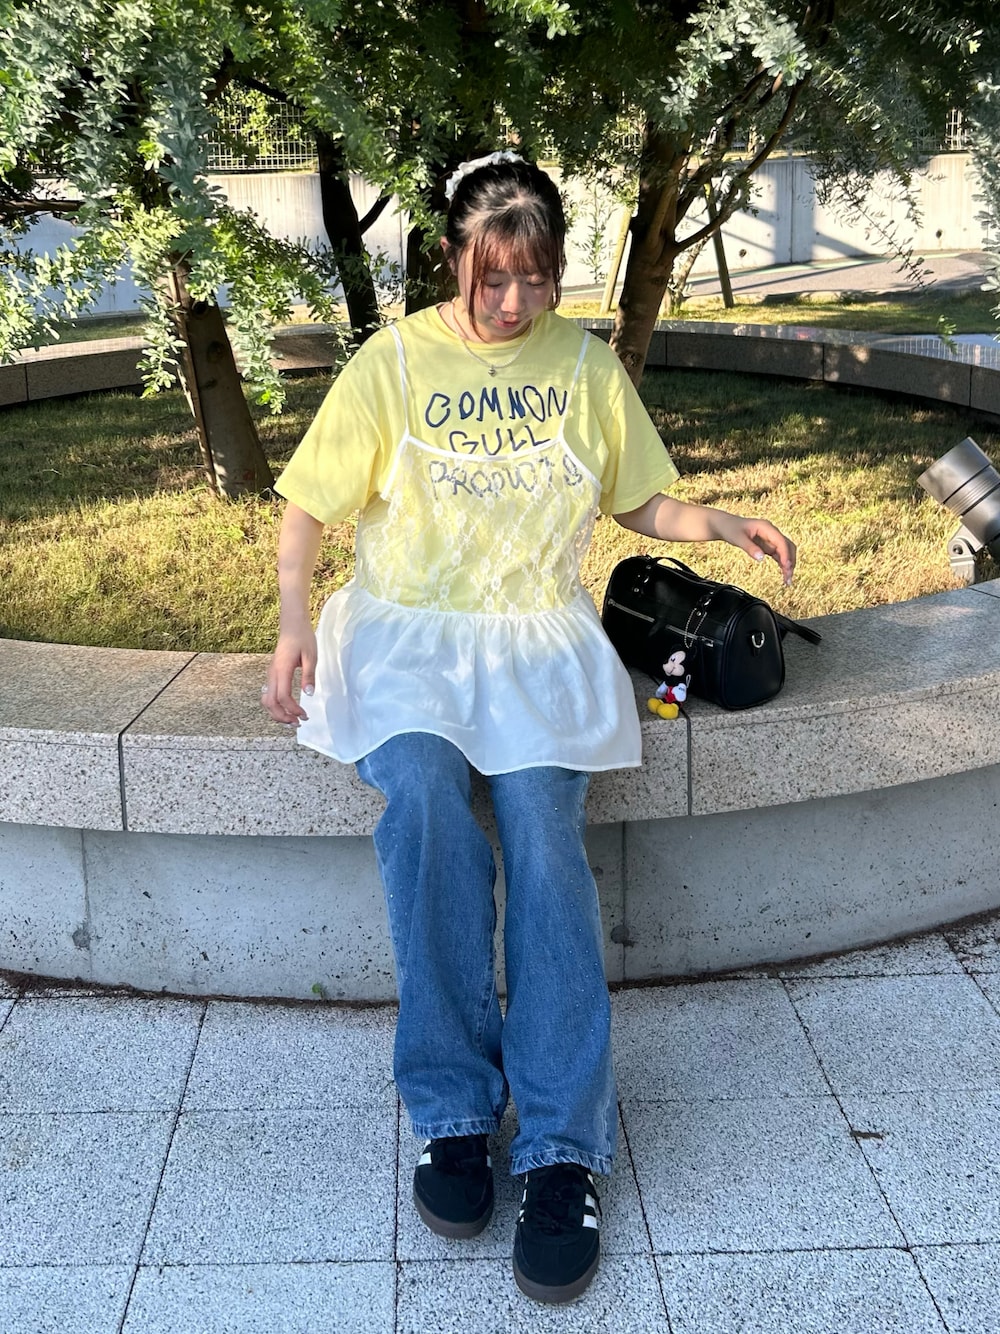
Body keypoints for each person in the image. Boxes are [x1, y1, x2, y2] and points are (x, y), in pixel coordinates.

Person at [262, 152, 796, 1305]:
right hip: (408, 643)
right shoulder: (394, 361)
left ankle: (561, 1145)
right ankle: (453, 1111)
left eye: (536, 279)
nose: (512, 303)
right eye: (491, 277)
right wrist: (295, 622)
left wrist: (719, 521)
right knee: (423, 804)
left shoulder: (585, 366)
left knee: (545, 841)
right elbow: (306, 504)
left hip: (533, 645)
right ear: (453, 258)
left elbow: (637, 497)